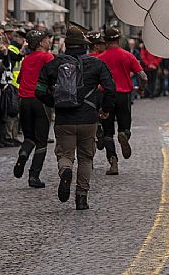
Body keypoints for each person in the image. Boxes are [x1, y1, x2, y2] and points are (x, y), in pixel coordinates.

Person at [36, 25, 116, 211]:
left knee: (65, 155)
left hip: (64, 119)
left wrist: (54, 102)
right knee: (86, 158)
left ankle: (65, 171)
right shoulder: (96, 64)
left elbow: (39, 90)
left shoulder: (53, 64)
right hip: (89, 119)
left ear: (66, 45)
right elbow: (111, 89)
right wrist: (104, 109)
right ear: (84, 45)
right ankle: (81, 198)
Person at [94, 27, 146, 175]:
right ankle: (124, 134)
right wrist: (141, 89)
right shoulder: (127, 55)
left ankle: (113, 162)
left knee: (108, 132)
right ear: (118, 39)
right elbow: (143, 76)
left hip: (106, 96)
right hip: (124, 96)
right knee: (124, 125)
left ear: (105, 40)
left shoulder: (99, 59)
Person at [13, 30, 53, 189]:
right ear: (41, 43)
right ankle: (34, 176)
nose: (49, 42)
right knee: (42, 141)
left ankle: (23, 155)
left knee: (29, 137)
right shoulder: (47, 57)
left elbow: (20, 78)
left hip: (24, 100)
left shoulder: (27, 59)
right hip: (40, 100)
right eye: (46, 39)